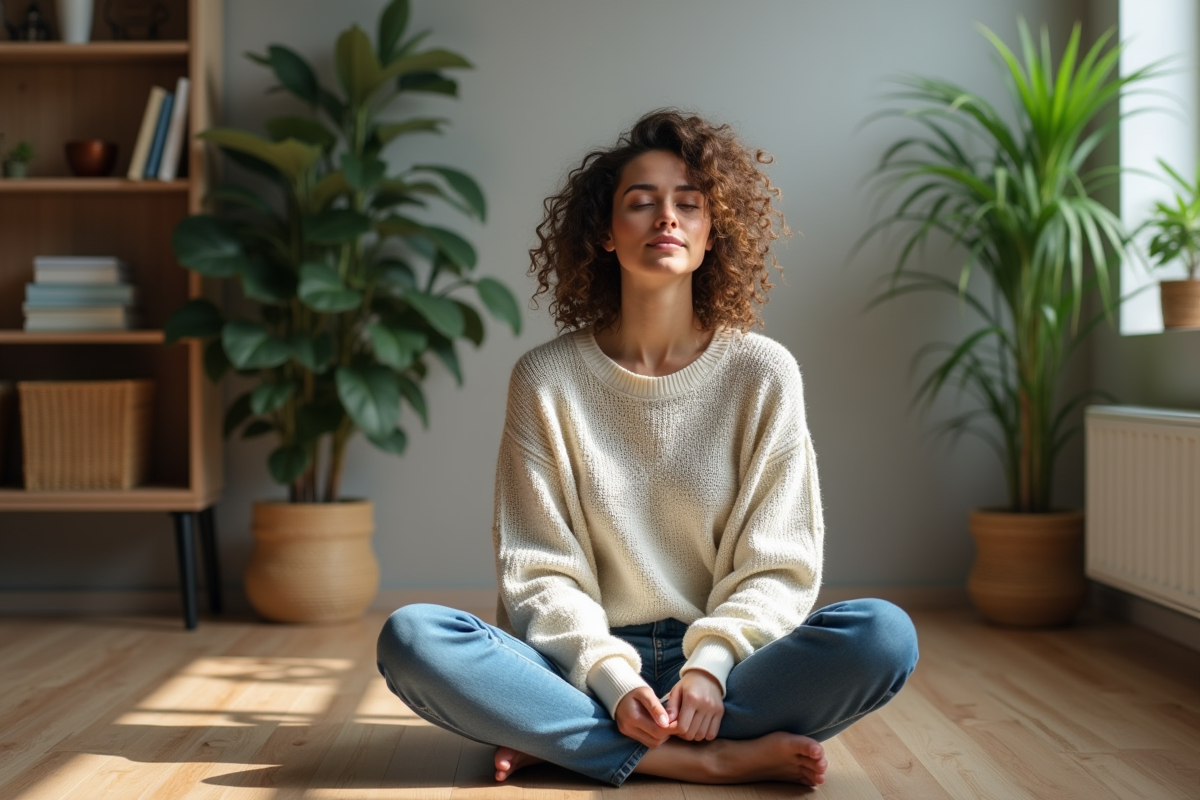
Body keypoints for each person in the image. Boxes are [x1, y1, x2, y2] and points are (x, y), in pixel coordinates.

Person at [376, 109, 919, 788]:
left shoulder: (763, 372)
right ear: (605, 234)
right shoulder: (546, 380)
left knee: (883, 636)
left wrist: (710, 666)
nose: (667, 217)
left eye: (688, 204)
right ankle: (703, 758)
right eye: (641, 203)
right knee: (412, 638)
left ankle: (564, 739)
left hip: (730, 664)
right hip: (577, 660)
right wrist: (608, 675)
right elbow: (537, 568)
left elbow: (780, 563)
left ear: (711, 231)